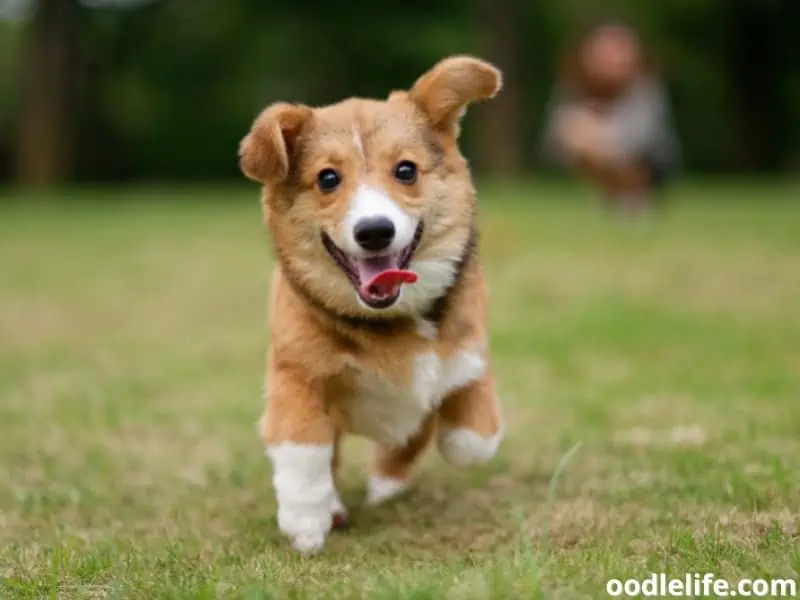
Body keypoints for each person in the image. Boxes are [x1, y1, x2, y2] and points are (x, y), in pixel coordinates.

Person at [541, 22, 680, 216]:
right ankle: (610, 196)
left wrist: (599, 135)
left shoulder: (644, 88)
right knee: (575, 128)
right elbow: (555, 140)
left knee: (584, 131)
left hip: (645, 165)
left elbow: (646, 140)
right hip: (595, 158)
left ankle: (633, 197)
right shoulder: (574, 88)